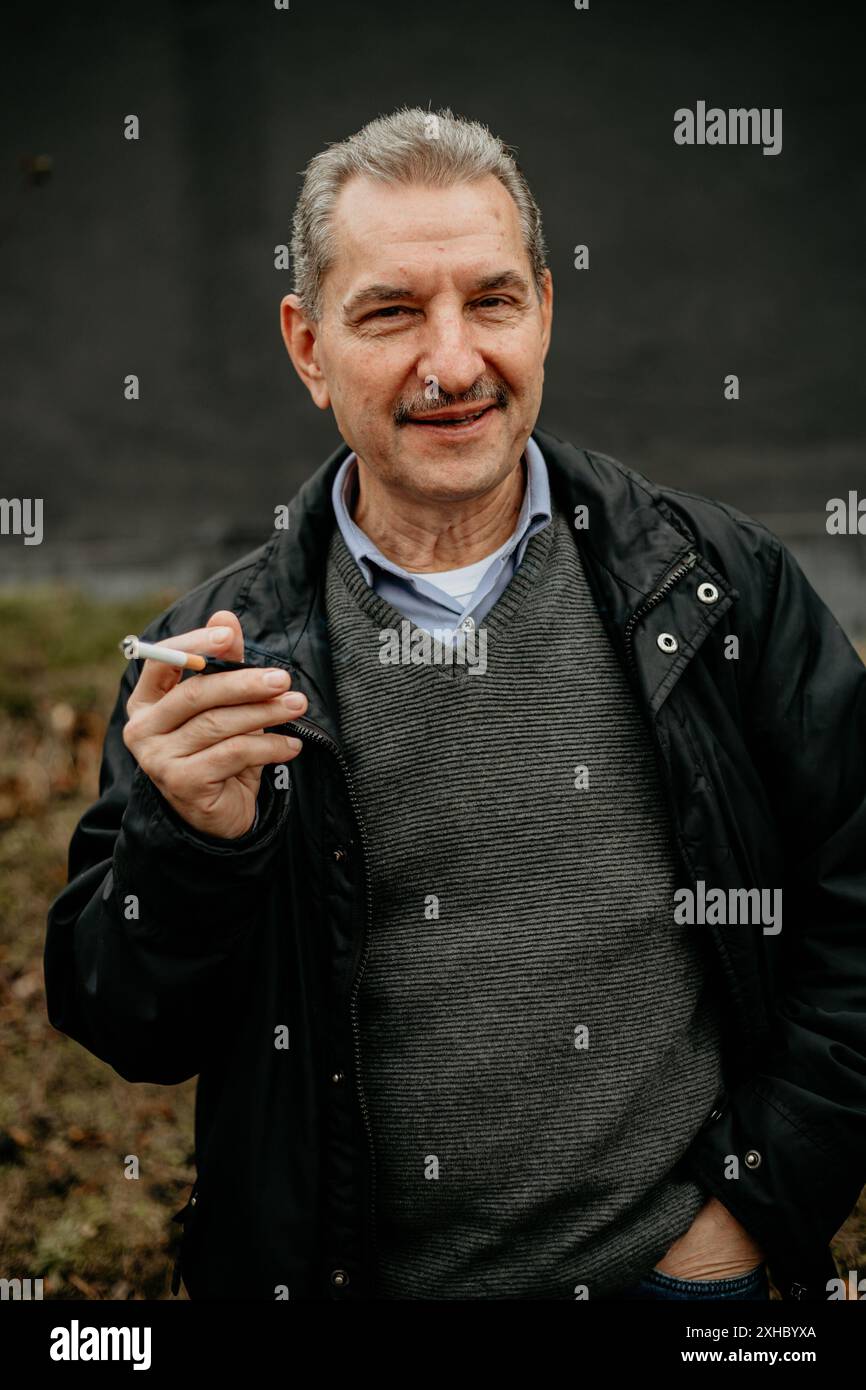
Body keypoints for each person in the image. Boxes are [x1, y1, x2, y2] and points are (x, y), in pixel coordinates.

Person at [45, 106, 866, 1302]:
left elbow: (852, 903)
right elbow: (129, 1022)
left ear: (543, 308)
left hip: (682, 1283)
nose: (451, 362)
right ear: (306, 344)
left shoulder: (712, 585)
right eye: (388, 312)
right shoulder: (213, 659)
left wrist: (752, 1206)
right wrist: (191, 845)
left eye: (489, 301)